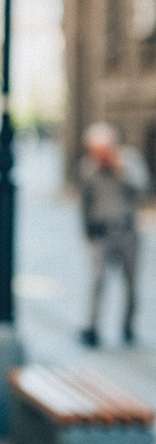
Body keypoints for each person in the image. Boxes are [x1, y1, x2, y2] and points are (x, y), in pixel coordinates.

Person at [78, 122, 150, 347]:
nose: (99, 155)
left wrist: (121, 170)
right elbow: (84, 203)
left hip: (127, 231)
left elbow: (143, 188)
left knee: (130, 282)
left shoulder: (129, 159)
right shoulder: (87, 167)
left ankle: (128, 327)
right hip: (101, 233)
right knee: (98, 280)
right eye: (94, 151)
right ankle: (92, 328)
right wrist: (86, 230)